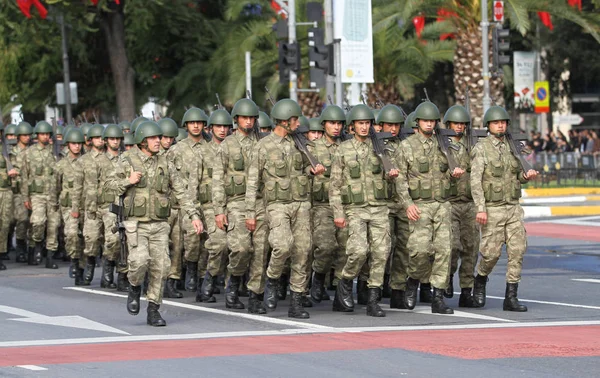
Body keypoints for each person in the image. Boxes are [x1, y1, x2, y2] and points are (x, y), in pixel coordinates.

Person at [105, 121, 203, 326]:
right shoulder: (127, 160)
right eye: (153, 138)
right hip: (135, 224)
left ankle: (153, 309)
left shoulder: (165, 162)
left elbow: (181, 190)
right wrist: (128, 181)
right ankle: (134, 287)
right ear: (142, 141)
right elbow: (108, 187)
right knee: (139, 262)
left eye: (159, 138)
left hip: (159, 224)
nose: (158, 141)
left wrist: (193, 216)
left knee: (162, 266)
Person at [245, 99, 325, 319]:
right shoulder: (263, 146)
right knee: (282, 245)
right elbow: (252, 182)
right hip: (276, 205)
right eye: (294, 119)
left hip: (301, 204)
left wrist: (313, 171)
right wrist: (249, 213)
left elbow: (305, 170)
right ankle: (272, 279)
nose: (298, 123)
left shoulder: (299, 143)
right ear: (283, 120)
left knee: (303, 250)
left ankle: (296, 301)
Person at [395, 101, 464, 314]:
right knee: (420, 251)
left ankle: (438, 297)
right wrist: (407, 204)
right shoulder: (406, 146)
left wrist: (454, 176)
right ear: (418, 122)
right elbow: (400, 179)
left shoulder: (444, 145)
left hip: (442, 205)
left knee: (445, 250)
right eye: (425, 120)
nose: (429, 124)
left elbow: (450, 175)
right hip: (420, 206)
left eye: (432, 121)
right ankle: (413, 280)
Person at [329, 104, 397, 317]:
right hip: (355, 209)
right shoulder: (343, 150)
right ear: (352, 126)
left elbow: (390, 176)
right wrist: (338, 212)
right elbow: (335, 185)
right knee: (358, 251)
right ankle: (345, 282)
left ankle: (373, 299)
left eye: (367, 123)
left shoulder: (381, 147)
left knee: (381, 252)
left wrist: (391, 175)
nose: (365, 127)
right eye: (361, 123)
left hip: (378, 208)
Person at [471, 106, 538, 312]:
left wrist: (525, 177)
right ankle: (480, 279)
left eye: (503, 122)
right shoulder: (481, 148)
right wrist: (480, 208)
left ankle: (511, 297)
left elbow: (517, 175)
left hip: (513, 208)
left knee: (518, 250)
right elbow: (475, 181)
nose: (500, 125)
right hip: (492, 209)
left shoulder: (513, 147)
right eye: (496, 122)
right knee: (490, 254)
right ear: (489, 125)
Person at [212, 98, 269, 312]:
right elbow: (217, 180)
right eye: (244, 117)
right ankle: (233, 283)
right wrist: (219, 210)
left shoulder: (263, 142)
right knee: (241, 248)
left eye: (251, 118)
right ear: (236, 120)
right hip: (236, 203)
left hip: (261, 202)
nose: (248, 121)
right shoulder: (227, 145)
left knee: (261, 251)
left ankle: (255, 295)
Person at [308, 105, 348, 303]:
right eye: (332, 123)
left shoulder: (347, 147)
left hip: (345, 204)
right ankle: (319, 276)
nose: (336, 127)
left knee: (344, 248)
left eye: (340, 123)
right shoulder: (313, 147)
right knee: (326, 246)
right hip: (322, 205)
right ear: (324, 124)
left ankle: (341, 290)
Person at [442, 105, 480, 307]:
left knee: (471, 250)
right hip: (449, 203)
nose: (459, 127)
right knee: (452, 246)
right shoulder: (442, 145)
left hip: (470, 203)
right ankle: (447, 276)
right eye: (455, 123)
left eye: (462, 124)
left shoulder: (472, 144)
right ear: (448, 124)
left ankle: (467, 290)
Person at [21, 121, 60, 268]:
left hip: (53, 195)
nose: (45, 136)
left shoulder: (54, 152)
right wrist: (25, 197)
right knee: (37, 222)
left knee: (53, 226)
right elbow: (24, 176)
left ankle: (50, 258)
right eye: (42, 134)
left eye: (47, 134)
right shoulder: (29, 153)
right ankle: (35, 246)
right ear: (37, 135)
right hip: (37, 195)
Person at [56, 128, 85, 284]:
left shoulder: (87, 162)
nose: (77, 147)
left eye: (79, 143)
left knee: (86, 237)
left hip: (86, 206)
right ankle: (74, 261)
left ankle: (83, 265)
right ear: (68, 145)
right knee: (72, 234)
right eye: (73, 143)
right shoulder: (61, 165)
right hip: (68, 207)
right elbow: (55, 187)